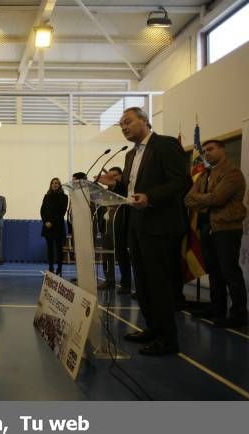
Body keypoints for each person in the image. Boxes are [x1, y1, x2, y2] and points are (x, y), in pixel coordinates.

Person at [98, 107, 191, 356]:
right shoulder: (130, 156)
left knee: (159, 283)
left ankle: (168, 339)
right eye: (121, 125)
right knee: (143, 283)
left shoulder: (165, 145)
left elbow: (181, 181)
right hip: (137, 226)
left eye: (128, 122)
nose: (124, 127)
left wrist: (150, 197)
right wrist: (115, 184)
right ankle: (152, 328)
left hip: (160, 226)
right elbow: (131, 191)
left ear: (144, 120)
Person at [184, 139, 248, 328]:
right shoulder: (204, 174)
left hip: (226, 228)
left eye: (210, 149)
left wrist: (201, 199)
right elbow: (188, 199)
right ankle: (217, 309)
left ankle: (238, 316)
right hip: (207, 227)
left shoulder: (233, 173)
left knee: (230, 272)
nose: (206, 154)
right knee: (214, 272)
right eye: (203, 151)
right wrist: (206, 199)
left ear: (222, 149)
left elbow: (219, 198)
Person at [105, 167, 132, 294]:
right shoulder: (107, 191)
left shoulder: (124, 188)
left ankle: (126, 283)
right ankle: (109, 280)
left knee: (123, 255)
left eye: (115, 175)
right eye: (110, 176)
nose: (112, 179)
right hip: (107, 226)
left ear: (121, 175)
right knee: (109, 254)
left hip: (123, 225)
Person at [40, 178, 69, 275]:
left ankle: (59, 268)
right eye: (53, 183)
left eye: (56, 183)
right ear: (50, 185)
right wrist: (46, 222)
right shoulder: (46, 196)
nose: (54, 184)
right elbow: (42, 211)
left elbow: (62, 212)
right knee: (50, 248)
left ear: (59, 185)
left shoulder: (64, 197)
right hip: (47, 226)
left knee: (59, 248)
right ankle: (51, 267)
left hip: (58, 226)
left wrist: (51, 222)